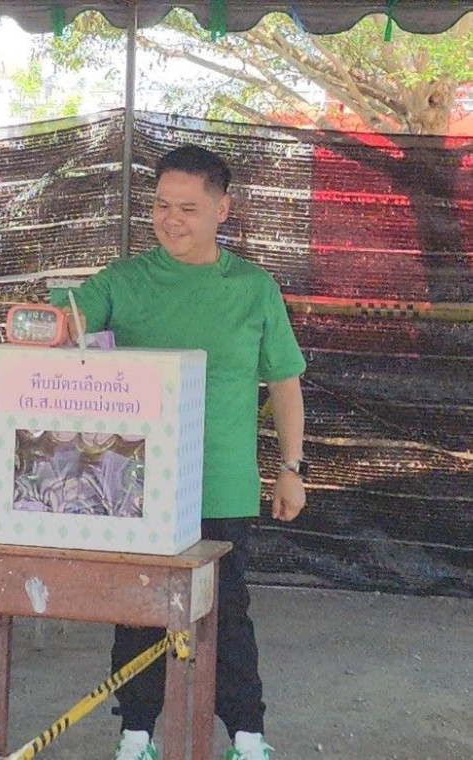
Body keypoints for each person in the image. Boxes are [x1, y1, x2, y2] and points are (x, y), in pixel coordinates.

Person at [61, 145, 306, 760]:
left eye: (188, 208)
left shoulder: (254, 288)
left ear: (223, 209)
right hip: (134, 485)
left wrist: (291, 468)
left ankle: (247, 736)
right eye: (162, 206)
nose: (171, 220)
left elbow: (285, 382)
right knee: (139, 611)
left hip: (222, 483)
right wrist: (56, 324)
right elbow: (66, 321)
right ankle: (135, 735)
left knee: (227, 612)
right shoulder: (123, 279)